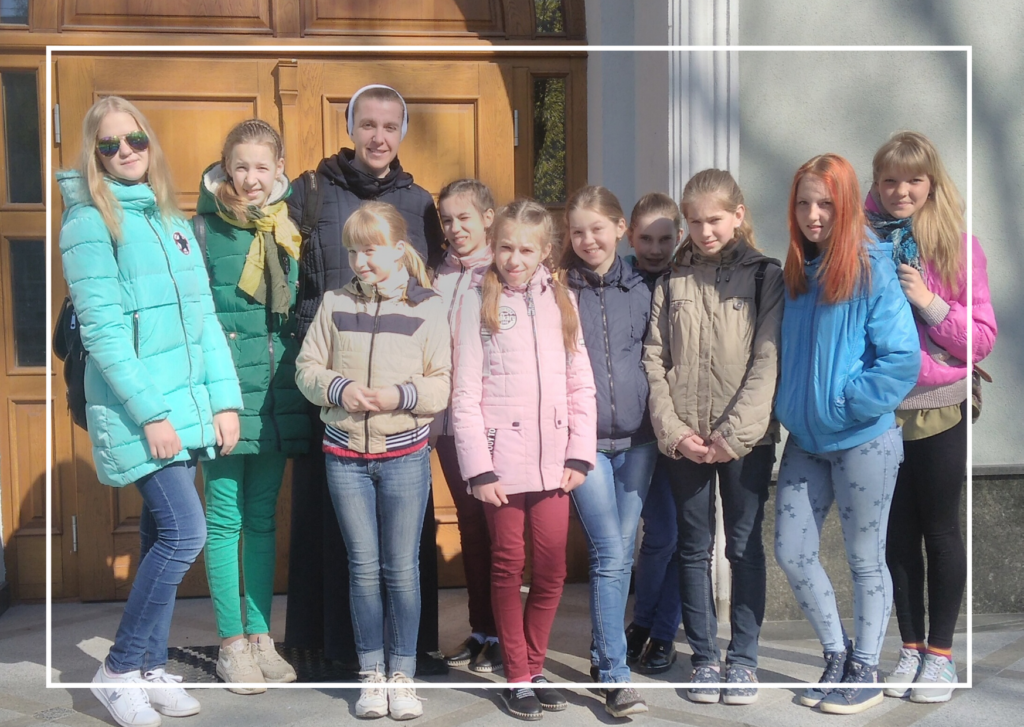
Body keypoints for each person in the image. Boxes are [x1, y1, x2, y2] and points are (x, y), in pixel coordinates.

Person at [58, 95, 242, 727]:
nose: (125, 152)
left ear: (149, 142)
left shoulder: (170, 218)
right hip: (143, 413)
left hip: (189, 406)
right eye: (109, 144)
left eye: (133, 139)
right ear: (94, 154)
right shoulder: (89, 222)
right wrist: (152, 415)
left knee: (163, 534)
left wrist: (224, 400)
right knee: (187, 533)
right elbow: (104, 335)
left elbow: (204, 320)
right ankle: (118, 670)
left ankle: (148, 666)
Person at [285, 84, 448, 674]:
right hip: (333, 378)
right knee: (332, 529)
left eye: (390, 126)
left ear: (402, 132)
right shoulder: (312, 190)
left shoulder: (419, 203)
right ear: (351, 128)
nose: (379, 137)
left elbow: (432, 280)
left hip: (400, 406)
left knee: (402, 549)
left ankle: (409, 652)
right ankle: (330, 648)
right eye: (368, 125)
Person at [773, 153, 920, 715]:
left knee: (864, 558)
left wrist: (843, 403)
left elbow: (901, 359)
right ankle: (836, 654)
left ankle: (866, 667)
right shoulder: (795, 274)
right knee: (792, 551)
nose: (813, 215)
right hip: (805, 441)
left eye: (826, 204)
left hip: (863, 440)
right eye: (804, 204)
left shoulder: (871, 268)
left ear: (847, 205)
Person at [295, 201, 451, 720]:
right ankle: (371, 674)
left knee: (401, 570)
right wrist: (339, 388)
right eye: (353, 252)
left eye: (371, 251)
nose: (360, 262)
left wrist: (397, 396)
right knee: (362, 569)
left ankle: (403, 676)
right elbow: (307, 368)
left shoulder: (428, 306)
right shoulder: (334, 303)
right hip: (345, 457)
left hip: (404, 457)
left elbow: (441, 383)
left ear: (399, 249)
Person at [451, 199, 597, 721]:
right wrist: (478, 468)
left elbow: (580, 382)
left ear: (545, 252)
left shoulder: (562, 299)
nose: (515, 260)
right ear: (494, 246)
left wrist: (579, 453)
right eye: (506, 248)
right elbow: (465, 393)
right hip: (501, 467)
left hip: (554, 462)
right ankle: (516, 675)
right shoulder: (475, 299)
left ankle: (534, 667)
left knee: (553, 568)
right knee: (507, 565)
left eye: (526, 250)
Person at [642, 170, 783, 706]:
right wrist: (675, 432)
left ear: (738, 215)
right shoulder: (672, 279)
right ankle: (704, 657)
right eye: (695, 222)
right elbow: (654, 359)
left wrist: (733, 435)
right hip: (686, 440)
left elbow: (767, 360)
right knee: (693, 546)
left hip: (745, 441)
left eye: (715, 220)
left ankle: (743, 659)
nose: (704, 231)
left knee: (743, 548)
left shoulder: (765, 276)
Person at [866, 131, 997, 703]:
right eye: (890, 180)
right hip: (881, 411)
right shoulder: (861, 242)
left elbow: (982, 338)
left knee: (939, 529)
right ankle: (911, 648)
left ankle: (940, 656)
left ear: (931, 183)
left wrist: (929, 302)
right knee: (896, 535)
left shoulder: (959, 248)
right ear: (877, 183)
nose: (901, 191)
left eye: (913, 180)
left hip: (941, 407)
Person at [194, 119, 310, 694]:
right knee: (224, 519)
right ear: (225, 168)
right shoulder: (202, 229)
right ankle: (231, 643)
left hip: (274, 395)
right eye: (240, 166)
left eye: (262, 166)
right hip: (223, 398)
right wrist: (209, 397)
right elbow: (194, 319)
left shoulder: (288, 227)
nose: (251, 178)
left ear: (279, 169)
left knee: (263, 519)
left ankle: (262, 637)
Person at [559, 186, 656, 717]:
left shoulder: (643, 286)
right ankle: (617, 675)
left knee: (620, 550)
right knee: (609, 553)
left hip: (639, 441)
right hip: (585, 443)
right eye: (577, 231)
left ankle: (603, 656)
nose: (588, 240)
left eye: (597, 228)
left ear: (621, 229)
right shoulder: (558, 291)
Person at [433, 179, 502, 674]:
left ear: (487, 218)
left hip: (490, 421)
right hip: (446, 424)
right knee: (471, 526)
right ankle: (480, 628)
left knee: (501, 530)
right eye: (447, 220)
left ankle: (504, 633)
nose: (456, 228)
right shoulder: (436, 275)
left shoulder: (502, 272)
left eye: (465, 218)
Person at [622, 193, 684, 674]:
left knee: (681, 536)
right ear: (630, 236)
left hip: (683, 427)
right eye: (646, 238)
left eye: (665, 239)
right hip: (637, 432)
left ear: (679, 237)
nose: (656, 248)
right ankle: (642, 620)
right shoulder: (619, 281)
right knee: (656, 535)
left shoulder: (689, 280)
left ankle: (663, 632)